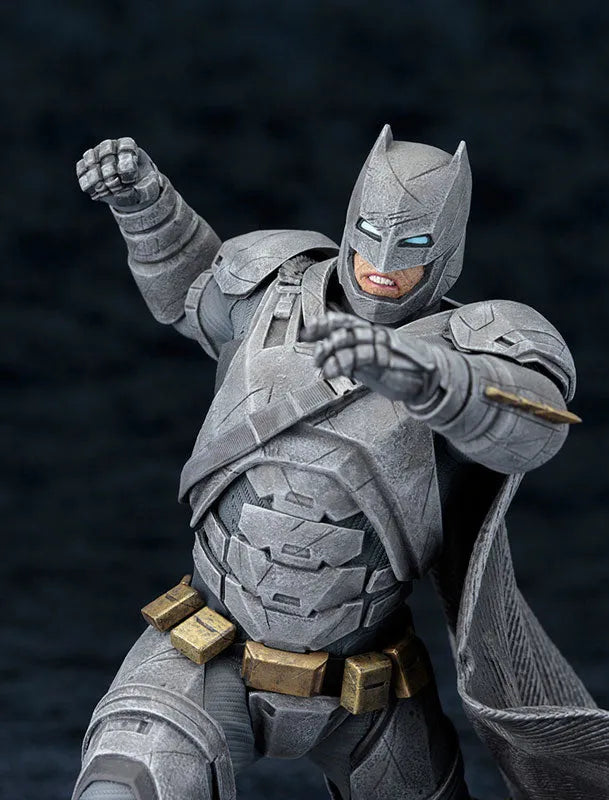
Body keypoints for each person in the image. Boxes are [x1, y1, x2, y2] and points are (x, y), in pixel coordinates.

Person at [72, 126, 607, 800]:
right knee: (126, 784)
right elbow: (192, 292)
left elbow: (535, 423)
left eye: (413, 244)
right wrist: (148, 210)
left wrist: (427, 377)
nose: (382, 264)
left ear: (447, 251)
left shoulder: (475, 346)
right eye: (370, 236)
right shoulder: (273, 286)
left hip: (368, 684)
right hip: (208, 654)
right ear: (351, 221)